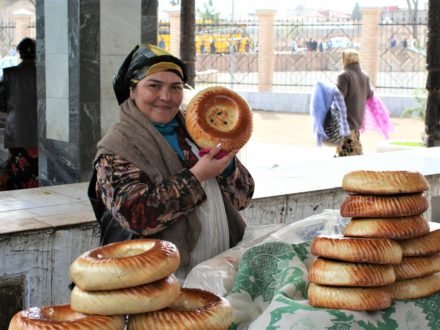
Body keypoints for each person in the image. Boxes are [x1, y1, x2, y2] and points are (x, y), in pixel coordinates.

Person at [88, 44, 255, 283]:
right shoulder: (116, 149)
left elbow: (243, 198)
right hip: (162, 283)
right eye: (154, 86)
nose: (166, 97)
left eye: (175, 87)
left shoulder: (198, 131)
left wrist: (227, 167)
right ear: (132, 91)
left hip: (221, 273)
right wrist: (197, 176)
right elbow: (138, 217)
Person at [0, 37, 38, 190]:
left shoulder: (9, 74)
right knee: (35, 170)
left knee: (18, 171)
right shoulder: (43, 74)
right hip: (38, 131)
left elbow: (2, 104)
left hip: (17, 131)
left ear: (20, 53)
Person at [335, 49, 373, 157]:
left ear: (345, 59)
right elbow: (369, 95)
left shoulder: (344, 76)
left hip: (346, 121)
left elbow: (338, 97)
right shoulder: (365, 76)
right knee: (353, 148)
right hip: (357, 120)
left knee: (346, 155)